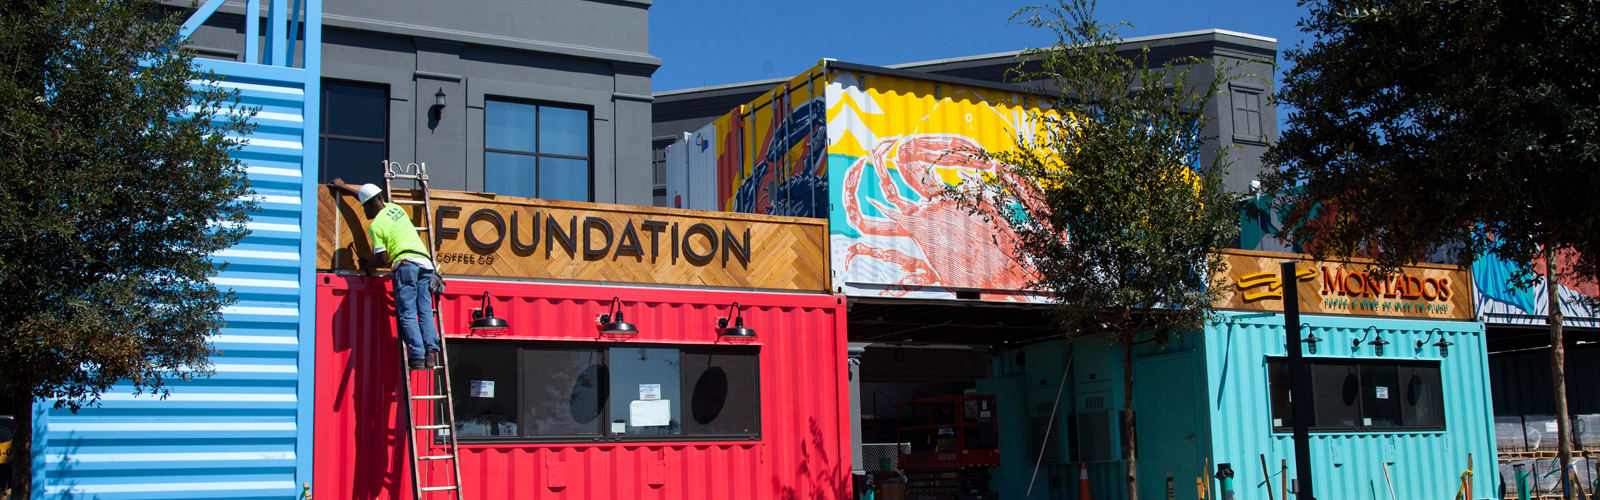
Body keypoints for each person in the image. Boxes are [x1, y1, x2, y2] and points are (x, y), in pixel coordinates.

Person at [330, 178, 439, 370]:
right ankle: (430, 353)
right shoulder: (396, 209)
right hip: (426, 265)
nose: (365, 212)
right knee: (424, 310)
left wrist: (366, 263)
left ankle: (418, 357)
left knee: (407, 314)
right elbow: (366, 196)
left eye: (365, 208)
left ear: (371, 205)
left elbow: (382, 260)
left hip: (406, 265)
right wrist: (345, 188)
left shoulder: (376, 226)